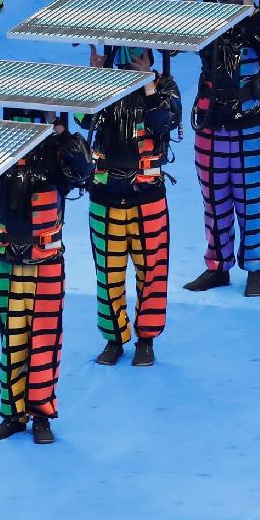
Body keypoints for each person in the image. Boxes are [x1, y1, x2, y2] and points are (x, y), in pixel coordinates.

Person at [0, 110, 92, 445]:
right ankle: (12, 414)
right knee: (12, 338)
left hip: (46, 259)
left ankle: (42, 416)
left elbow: (85, 170)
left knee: (45, 340)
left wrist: (60, 133)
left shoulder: (57, 152)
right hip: (6, 259)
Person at [182, 0, 260, 297]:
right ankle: (218, 266)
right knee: (214, 200)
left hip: (250, 127)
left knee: (252, 199)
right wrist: (186, 10)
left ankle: (256, 269)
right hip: (212, 123)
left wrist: (252, 12)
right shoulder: (203, 21)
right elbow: (169, 46)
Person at [80, 47, 180, 367]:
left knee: (151, 272)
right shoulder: (103, 85)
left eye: (137, 50)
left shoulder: (165, 86)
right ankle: (113, 339)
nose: (130, 57)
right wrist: (94, 78)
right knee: (107, 274)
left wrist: (148, 84)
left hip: (147, 196)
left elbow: (164, 122)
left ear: (149, 52)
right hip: (105, 195)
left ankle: (146, 340)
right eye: (124, 50)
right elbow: (84, 118)